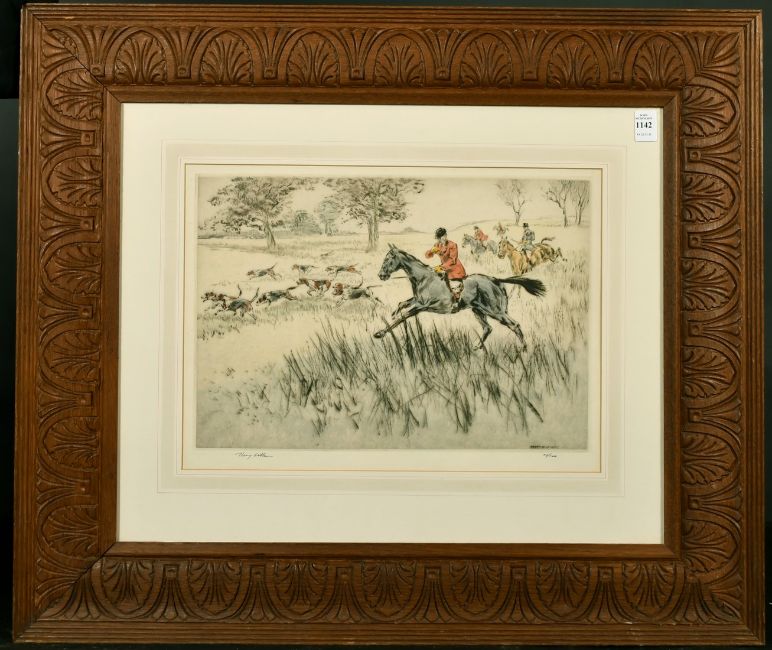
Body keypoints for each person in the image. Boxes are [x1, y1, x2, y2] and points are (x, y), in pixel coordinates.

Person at [425, 227, 466, 312]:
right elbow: (427, 256)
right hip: (444, 268)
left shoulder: (453, 245)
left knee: (454, 285)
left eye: (444, 235)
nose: (443, 238)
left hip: (454, 268)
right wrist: (431, 251)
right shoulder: (437, 245)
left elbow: (453, 260)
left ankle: (456, 302)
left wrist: (440, 267)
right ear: (438, 238)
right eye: (441, 237)